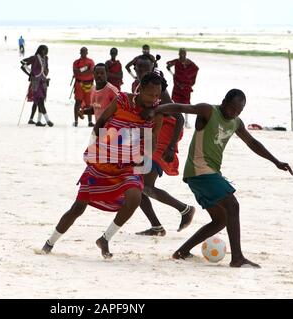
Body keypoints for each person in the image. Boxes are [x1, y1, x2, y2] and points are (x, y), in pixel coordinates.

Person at [154, 89, 293, 268]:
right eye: (232, 108)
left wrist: (275, 161)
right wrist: (156, 109)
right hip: (200, 170)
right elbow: (181, 107)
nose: (234, 113)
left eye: (239, 111)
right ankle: (237, 258)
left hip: (208, 174)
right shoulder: (208, 111)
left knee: (221, 220)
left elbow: (252, 143)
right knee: (233, 206)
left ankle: (181, 252)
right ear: (224, 102)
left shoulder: (236, 122)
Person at [41, 72, 164, 259]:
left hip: (128, 165)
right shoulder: (122, 100)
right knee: (78, 207)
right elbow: (100, 122)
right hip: (102, 161)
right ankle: (49, 243)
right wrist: (91, 150)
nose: (154, 99)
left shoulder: (156, 113)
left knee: (134, 197)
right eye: (150, 94)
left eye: (157, 95)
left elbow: (152, 141)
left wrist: (143, 165)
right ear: (139, 89)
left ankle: (105, 239)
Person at [132, 55, 195, 236]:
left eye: (146, 68)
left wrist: (171, 145)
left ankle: (185, 209)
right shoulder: (138, 86)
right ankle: (157, 227)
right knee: (137, 187)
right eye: (139, 69)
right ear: (135, 69)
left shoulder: (159, 87)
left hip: (164, 137)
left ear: (152, 67)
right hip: (148, 137)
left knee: (145, 186)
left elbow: (180, 117)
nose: (142, 71)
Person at [21, 45, 53, 127]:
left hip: (43, 82)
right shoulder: (34, 58)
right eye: (46, 50)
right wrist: (30, 74)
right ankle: (48, 120)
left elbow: (46, 69)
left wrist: (46, 77)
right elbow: (23, 65)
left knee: (41, 100)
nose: (47, 52)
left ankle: (38, 121)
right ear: (42, 50)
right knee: (40, 101)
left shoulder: (46, 59)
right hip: (35, 82)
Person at [166, 48, 199, 128]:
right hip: (177, 85)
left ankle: (186, 121)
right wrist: (173, 74)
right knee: (175, 101)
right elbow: (168, 65)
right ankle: (175, 119)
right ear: (179, 54)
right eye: (180, 53)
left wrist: (189, 80)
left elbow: (196, 69)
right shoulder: (176, 61)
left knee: (186, 103)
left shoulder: (189, 62)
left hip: (186, 87)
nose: (182, 55)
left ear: (186, 54)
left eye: (183, 53)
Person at [72, 47, 95, 127]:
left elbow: (92, 71)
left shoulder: (91, 61)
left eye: (85, 51)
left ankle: (90, 122)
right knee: (77, 102)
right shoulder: (76, 62)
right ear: (80, 52)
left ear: (87, 52)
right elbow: (75, 72)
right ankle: (76, 121)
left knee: (89, 104)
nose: (83, 53)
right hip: (79, 84)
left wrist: (81, 71)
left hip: (89, 85)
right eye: (82, 51)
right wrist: (85, 69)